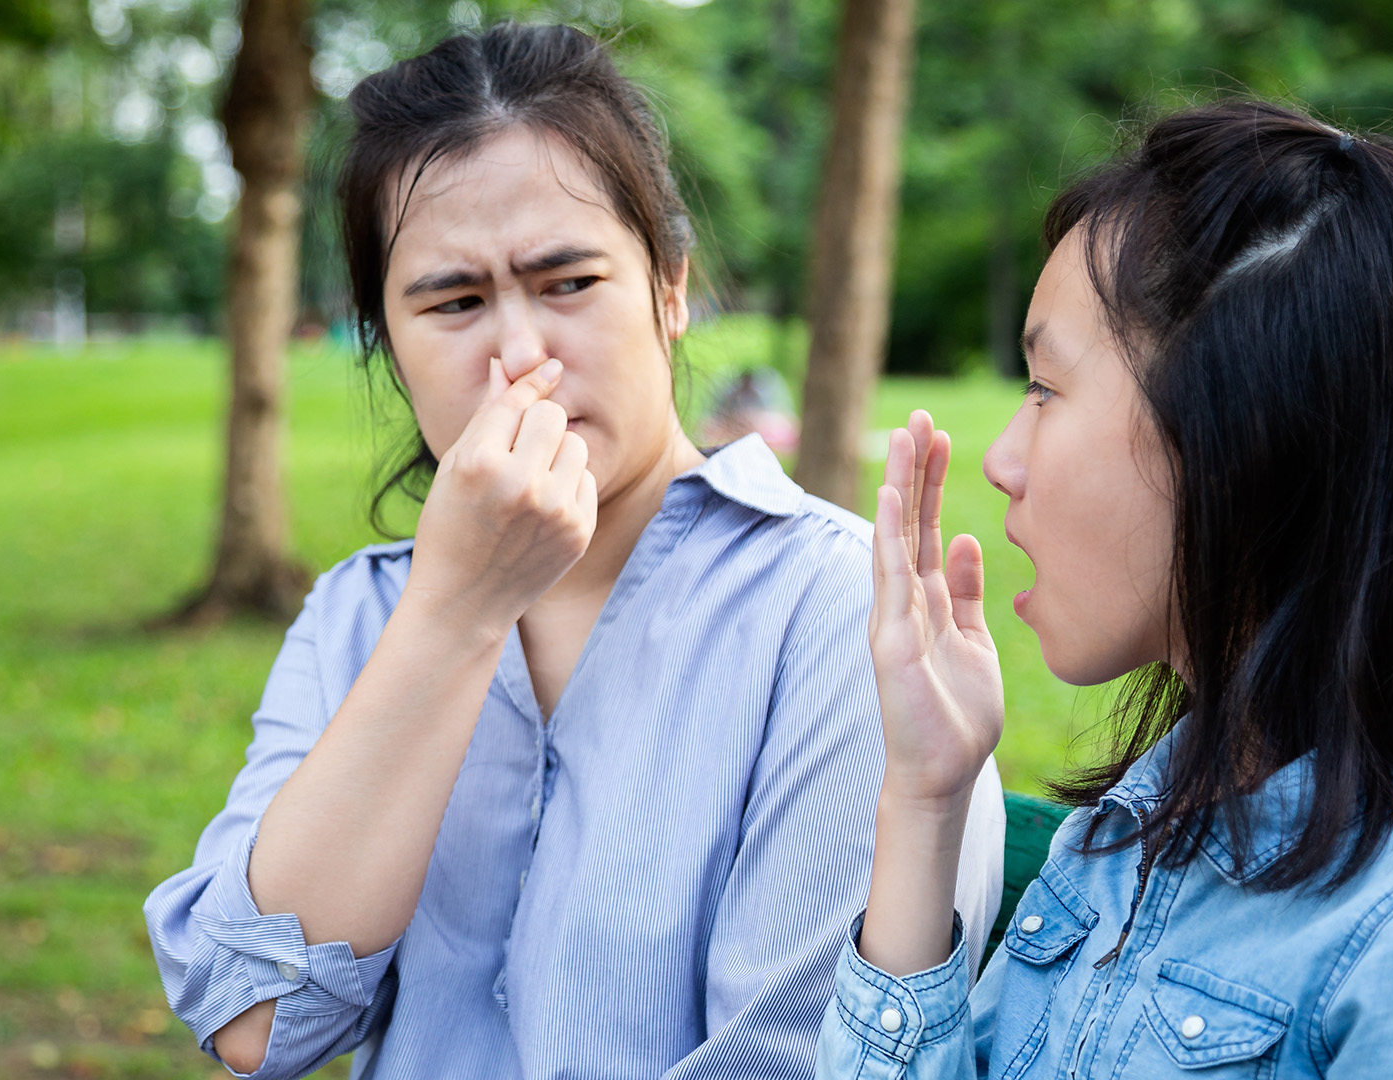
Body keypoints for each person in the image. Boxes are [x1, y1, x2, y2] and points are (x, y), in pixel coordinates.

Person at [143, 22, 1006, 1080]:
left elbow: (802, 1059)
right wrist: (454, 616)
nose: (521, 355)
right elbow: (257, 1023)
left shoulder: (832, 611)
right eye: (453, 303)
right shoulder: (359, 617)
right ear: (385, 343)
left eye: (569, 283)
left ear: (672, 288)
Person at [818, 100, 1393, 1079]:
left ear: (1242, 437)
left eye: (1045, 390)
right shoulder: (1130, 835)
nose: (1001, 460)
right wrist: (925, 795)